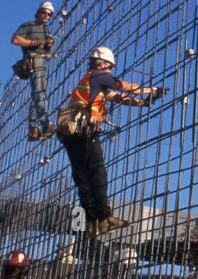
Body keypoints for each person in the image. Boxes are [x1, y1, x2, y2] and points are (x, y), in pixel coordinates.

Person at [57, 45, 162, 240]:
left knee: (82, 176)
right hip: (83, 130)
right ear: (104, 63)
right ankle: (104, 217)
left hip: (69, 132)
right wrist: (151, 89)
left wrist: (143, 103)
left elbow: (118, 97)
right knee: (97, 171)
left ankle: (92, 221)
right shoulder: (99, 75)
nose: (111, 71)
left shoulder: (90, 81)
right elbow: (123, 87)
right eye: (110, 67)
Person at [11, 1, 56, 141]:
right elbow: (15, 39)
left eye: (49, 15)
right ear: (38, 12)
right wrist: (34, 43)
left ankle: (33, 128)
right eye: (44, 12)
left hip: (42, 62)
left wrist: (48, 46)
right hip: (33, 60)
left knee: (37, 94)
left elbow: (46, 50)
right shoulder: (29, 26)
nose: (46, 16)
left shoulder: (47, 31)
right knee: (39, 94)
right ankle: (46, 123)